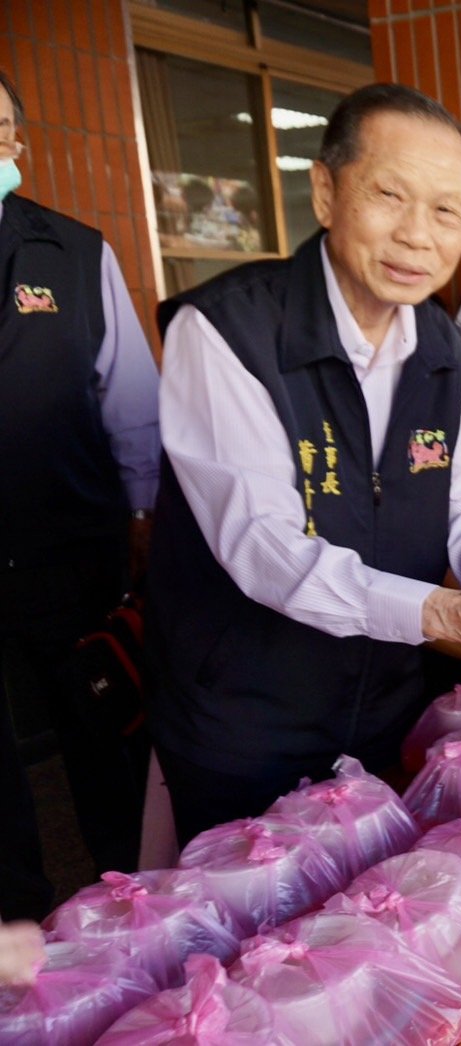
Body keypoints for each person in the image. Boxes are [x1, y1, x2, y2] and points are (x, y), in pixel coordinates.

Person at [149, 83, 461, 843]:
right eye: (390, 195)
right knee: (238, 944)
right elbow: (264, 549)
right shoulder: (225, 331)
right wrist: (444, 614)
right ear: (325, 191)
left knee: (361, 931)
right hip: (248, 718)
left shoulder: (440, 341)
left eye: (447, 210)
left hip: (384, 705)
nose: (419, 235)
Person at [0, 71, 161, 919]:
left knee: (103, 734)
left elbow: (130, 396)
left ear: (18, 144)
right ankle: (18, 928)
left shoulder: (73, 250)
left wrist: (142, 510)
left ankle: (129, 900)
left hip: (70, 541)